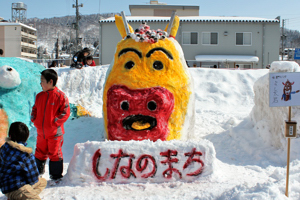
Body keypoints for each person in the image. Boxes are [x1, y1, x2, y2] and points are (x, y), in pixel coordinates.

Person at [31, 69, 70, 185]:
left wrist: (55, 122)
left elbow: (65, 112)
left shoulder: (60, 96)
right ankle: (37, 173)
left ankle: (56, 176)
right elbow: (35, 109)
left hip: (54, 133)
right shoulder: (39, 96)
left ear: (50, 82)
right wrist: (34, 119)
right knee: (39, 152)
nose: (40, 84)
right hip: (41, 132)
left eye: (42, 81)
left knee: (55, 154)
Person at [0, 122, 47, 200]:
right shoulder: (26, 155)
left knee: (43, 182)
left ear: (10, 135)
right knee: (40, 184)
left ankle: (17, 197)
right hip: (19, 187)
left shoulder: (3, 148)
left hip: (4, 187)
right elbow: (33, 178)